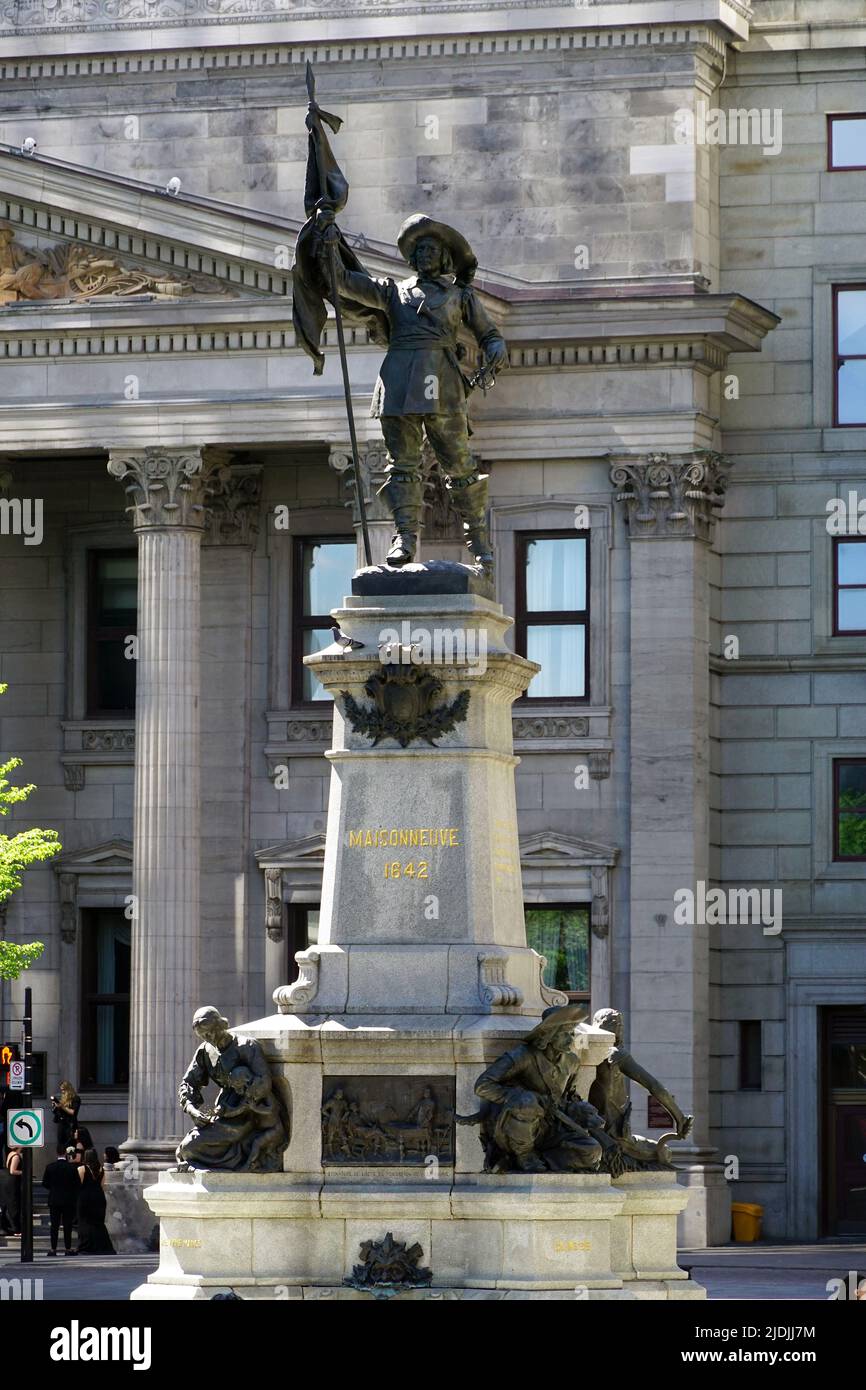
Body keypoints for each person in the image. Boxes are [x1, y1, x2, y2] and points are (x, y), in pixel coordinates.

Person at [316, 208, 508, 571]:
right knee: (401, 464)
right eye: (418, 250)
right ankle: (404, 536)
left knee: (460, 464)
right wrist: (328, 242)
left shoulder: (459, 296)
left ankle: (478, 538)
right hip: (399, 382)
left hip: (444, 383)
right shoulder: (392, 292)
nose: (424, 255)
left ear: (444, 257)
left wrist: (495, 351)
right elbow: (344, 282)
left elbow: (490, 334)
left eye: (431, 250)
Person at [42, 1145, 80, 1257]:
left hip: (54, 1199)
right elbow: (77, 1183)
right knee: (67, 1225)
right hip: (68, 1200)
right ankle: (68, 1248)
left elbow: (45, 1183)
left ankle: (53, 1249)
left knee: (54, 1225)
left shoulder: (50, 1167)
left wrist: (53, 1188)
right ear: (66, 1153)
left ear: (57, 1153)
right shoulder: (72, 1168)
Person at [75, 1149, 114, 1255]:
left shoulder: (82, 1169)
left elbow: (79, 1183)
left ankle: (86, 1245)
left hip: (85, 1197)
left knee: (84, 1222)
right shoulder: (101, 1169)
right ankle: (102, 1245)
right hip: (99, 1197)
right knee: (98, 1223)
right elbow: (102, 1185)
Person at [50, 1081, 80, 1151]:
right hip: (61, 1123)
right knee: (61, 1144)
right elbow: (57, 1112)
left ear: (68, 1089)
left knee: (70, 1144)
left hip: (70, 1124)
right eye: (61, 1090)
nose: (62, 1092)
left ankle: (70, 1159)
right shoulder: (63, 1099)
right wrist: (55, 1107)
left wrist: (62, 1106)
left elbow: (73, 1112)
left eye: (64, 1090)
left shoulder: (75, 1098)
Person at [2, 1146, 23, 1235]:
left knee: (12, 1204)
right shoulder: (16, 1156)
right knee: (14, 1204)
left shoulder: (10, 1154)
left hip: (9, 1181)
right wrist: (23, 1172)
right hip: (13, 1181)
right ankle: (15, 1228)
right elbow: (12, 1170)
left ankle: (13, 1227)